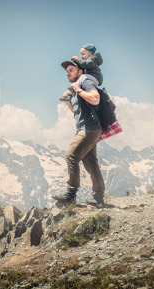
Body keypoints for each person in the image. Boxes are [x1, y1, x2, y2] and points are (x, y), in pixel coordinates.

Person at [53, 60, 105, 207]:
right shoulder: (75, 89)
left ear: (80, 72)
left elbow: (95, 99)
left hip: (89, 129)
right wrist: (68, 101)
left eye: (71, 70)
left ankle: (70, 194)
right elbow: (77, 113)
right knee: (91, 163)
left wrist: (79, 90)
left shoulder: (85, 82)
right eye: (67, 71)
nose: (67, 73)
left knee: (71, 155)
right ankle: (99, 199)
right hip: (86, 128)